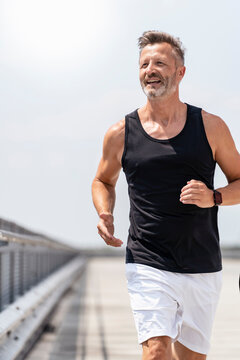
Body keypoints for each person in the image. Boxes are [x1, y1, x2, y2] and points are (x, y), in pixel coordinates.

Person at [91, 30, 240, 360]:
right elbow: (103, 180)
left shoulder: (211, 126)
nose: (150, 70)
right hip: (147, 260)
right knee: (157, 353)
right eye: (144, 64)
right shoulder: (120, 133)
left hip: (202, 262)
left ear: (180, 72)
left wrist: (214, 197)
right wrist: (105, 212)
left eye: (160, 62)